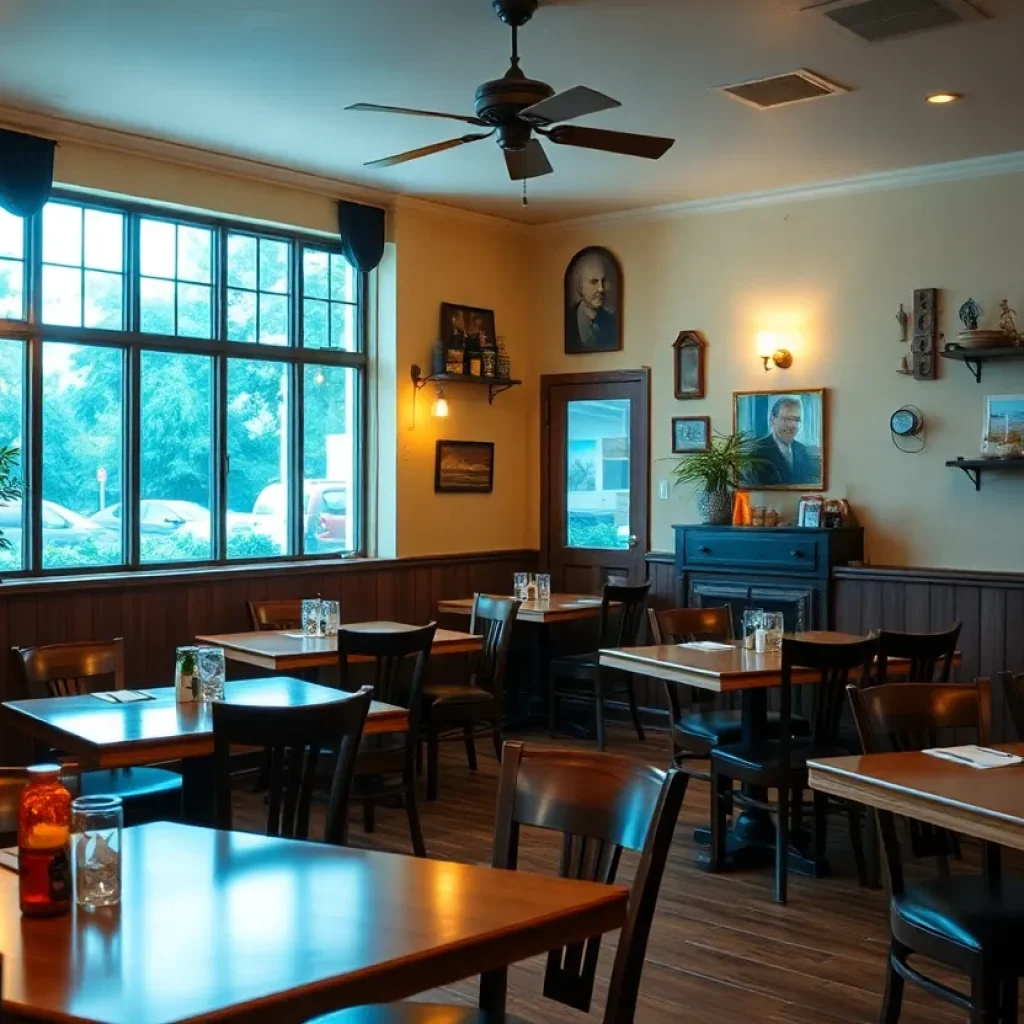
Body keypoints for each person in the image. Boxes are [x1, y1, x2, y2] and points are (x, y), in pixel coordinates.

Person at [747, 396, 819, 486]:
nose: (791, 425)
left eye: (796, 420)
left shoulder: (801, 449)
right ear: (772, 420)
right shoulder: (757, 452)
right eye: (785, 419)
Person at [565, 253, 619, 352]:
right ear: (580, 288)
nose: (601, 289)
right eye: (594, 282)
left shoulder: (612, 321)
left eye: (603, 281)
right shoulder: (569, 319)